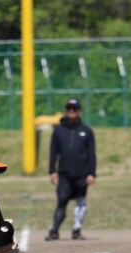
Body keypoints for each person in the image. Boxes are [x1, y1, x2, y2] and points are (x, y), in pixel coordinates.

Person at [45, 98, 96, 241]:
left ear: (79, 111)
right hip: (64, 174)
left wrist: (91, 173)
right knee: (62, 201)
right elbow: (53, 152)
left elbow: (91, 154)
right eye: (69, 109)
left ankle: (76, 230)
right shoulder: (59, 130)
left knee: (81, 201)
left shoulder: (86, 131)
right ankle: (54, 231)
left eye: (74, 109)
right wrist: (52, 171)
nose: (71, 111)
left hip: (82, 174)